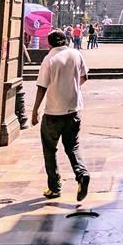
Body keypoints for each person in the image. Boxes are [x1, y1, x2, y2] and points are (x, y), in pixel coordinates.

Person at [30, 29, 91, 201]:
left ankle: (54, 187)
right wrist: (73, 89)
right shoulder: (76, 54)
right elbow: (85, 77)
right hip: (74, 110)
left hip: (53, 113)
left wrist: (35, 111)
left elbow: (41, 86)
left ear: (50, 43)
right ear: (66, 40)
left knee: (50, 149)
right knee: (73, 147)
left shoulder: (49, 58)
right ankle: (82, 174)